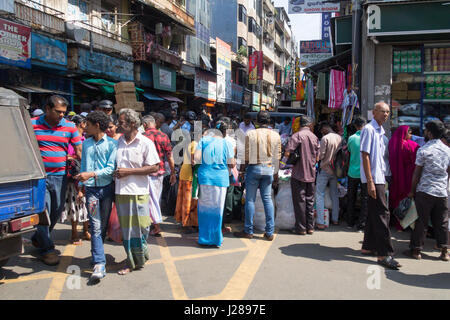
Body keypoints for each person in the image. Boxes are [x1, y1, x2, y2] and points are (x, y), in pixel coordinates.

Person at [31, 95, 82, 265]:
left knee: (56, 210)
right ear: (47, 109)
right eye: (58, 112)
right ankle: (47, 249)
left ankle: (39, 237)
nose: (61, 115)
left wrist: (86, 170)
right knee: (43, 211)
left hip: (61, 176)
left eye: (63, 112)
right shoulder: (32, 124)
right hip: (39, 177)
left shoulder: (70, 126)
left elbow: (79, 149)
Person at [114, 109, 160, 275]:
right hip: (121, 192)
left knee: (142, 227)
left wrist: (129, 172)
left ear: (132, 123)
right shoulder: (118, 141)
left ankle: (140, 255)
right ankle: (131, 260)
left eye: (121, 122)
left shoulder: (145, 142)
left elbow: (155, 166)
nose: (119, 124)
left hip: (139, 191)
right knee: (127, 230)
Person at [75, 111, 118, 282]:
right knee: (95, 225)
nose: (84, 127)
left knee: (103, 225)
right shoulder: (85, 144)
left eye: (88, 124)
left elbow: (110, 169)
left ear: (97, 125)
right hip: (91, 191)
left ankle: (97, 256)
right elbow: (83, 166)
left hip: (106, 190)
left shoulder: (113, 144)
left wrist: (91, 174)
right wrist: (80, 187)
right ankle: (99, 263)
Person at [360, 102, 401, 270]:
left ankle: (368, 246)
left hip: (379, 178)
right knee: (382, 213)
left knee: (373, 213)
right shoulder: (369, 129)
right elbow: (365, 155)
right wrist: (370, 181)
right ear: (374, 112)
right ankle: (384, 254)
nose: (385, 114)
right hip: (373, 179)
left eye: (387, 112)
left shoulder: (381, 132)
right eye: (382, 111)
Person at [234, 111, 281, 241]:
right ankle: (269, 232)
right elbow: (277, 157)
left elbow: (246, 156)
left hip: (254, 169)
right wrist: (276, 175)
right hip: (269, 169)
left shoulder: (251, 134)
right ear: (269, 121)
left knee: (250, 200)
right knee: (267, 200)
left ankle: (248, 230)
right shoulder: (276, 135)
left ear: (257, 121)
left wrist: (242, 171)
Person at [407, 120, 449, 261]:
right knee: (442, 222)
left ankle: (416, 250)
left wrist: (412, 191)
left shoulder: (424, 150)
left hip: (425, 190)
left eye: (425, 130)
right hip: (442, 191)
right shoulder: (447, 150)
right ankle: (444, 251)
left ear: (429, 133)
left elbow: (417, 174)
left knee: (422, 221)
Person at [194, 121, 235, 247]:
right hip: (220, 179)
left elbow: (195, 159)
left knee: (204, 209)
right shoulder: (227, 143)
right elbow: (232, 164)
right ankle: (216, 239)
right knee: (217, 210)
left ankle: (204, 238)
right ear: (224, 132)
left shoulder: (203, 140)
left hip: (205, 178)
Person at [284, 116, 319, 235]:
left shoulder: (296, 136)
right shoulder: (315, 137)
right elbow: (318, 157)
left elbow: (288, 152)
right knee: (310, 201)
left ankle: (301, 228)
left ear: (300, 125)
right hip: (311, 173)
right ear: (309, 125)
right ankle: (310, 227)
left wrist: (285, 163)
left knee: (300, 201)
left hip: (298, 173)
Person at [142, 115, 176, 236]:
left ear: (145, 125)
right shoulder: (163, 136)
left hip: (144, 172)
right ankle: (155, 224)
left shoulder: (142, 137)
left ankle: (155, 225)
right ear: (154, 124)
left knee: (147, 199)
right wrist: (173, 172)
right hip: (159, 172)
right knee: (156, 198)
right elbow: (170, 156)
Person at [61, 114, 90, 245]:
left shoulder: (85, 139)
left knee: (86, 204)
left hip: (85, 176)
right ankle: (74, 232)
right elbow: (66, 155)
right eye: (85, 123)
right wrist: (75, 158)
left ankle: (86, 230)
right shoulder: (70, 139)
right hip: (74, 178)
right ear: (81, 123)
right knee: (75, 205)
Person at [388, 126, 419, 217]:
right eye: (409, 133)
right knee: (408, 196)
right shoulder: (411, 145)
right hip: (409, 175)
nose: (411, 135)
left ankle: (396, 219)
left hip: (395, 174)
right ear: (404, 133)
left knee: (398, 197)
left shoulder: (392, 143)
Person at [315, 122, 342, 229]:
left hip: (325, 169)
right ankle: (335, 219)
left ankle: (321, 222)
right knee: (334, 194)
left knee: (319, 194)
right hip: (335, 170)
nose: (321, 133)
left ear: (325, 128)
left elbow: (320, 155)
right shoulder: (340, 138)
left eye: (321, 131)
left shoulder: (325, 138)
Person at [175, 126, 199, 233]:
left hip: (184, 173)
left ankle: (183, 220)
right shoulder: (195, 144)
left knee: (182, 199)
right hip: (189, 175)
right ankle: (187, 223)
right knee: (188, 201)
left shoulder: (189, 143)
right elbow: (194, 161)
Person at [346, 117, 368, 231]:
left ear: (355, 126)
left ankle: (350, 222)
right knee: (365, 199)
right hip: (365, 173)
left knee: (351, 198)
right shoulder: (368, 137)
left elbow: (349, 151)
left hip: (352, 172)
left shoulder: (351, 138)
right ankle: (362, 224)